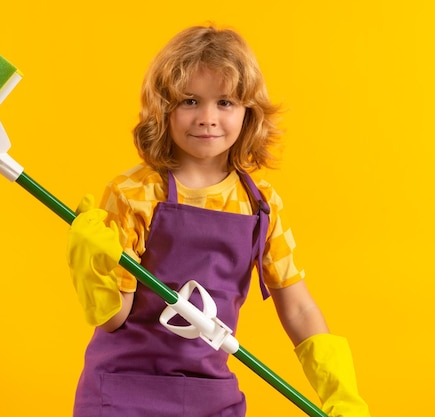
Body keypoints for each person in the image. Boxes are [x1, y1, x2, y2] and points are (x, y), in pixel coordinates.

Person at [67, 25, 370, 417]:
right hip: (126, 390)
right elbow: (114, 319)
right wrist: (94, 269)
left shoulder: (260, 205)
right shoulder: (134, 194)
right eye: (190, 101)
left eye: (225, 102)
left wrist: (339, 388)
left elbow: (297, 309)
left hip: (210, 396)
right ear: (164, 108)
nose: (207, 118)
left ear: (249, 113)